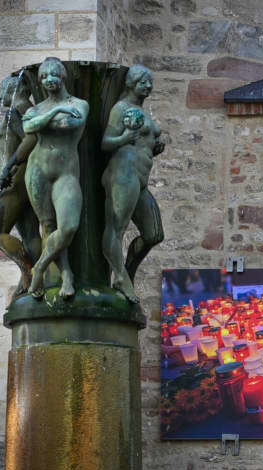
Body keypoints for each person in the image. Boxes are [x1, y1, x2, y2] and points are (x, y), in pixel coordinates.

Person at [22, 57, 89, 299]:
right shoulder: (35, 109)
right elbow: (29, 128)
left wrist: (46, 119)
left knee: (68, 226)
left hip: (66, 173)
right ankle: (66, 275)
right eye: (44, 77)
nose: (49, 80)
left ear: (63, 76)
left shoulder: (80, 104)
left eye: (53, 75)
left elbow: (70, 124)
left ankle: (39, 267)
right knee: (48, 226)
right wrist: (58, 110)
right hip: (37, 170)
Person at [100, 64, 165, 302]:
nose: (148, 86)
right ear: (130, 83)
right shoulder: (121, 108)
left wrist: (155, 147)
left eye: (150, 82)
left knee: (154, 234)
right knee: (116, 228)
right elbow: (105, 142)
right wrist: (125, 138)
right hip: (123, 174)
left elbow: (144, 142)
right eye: (143, 82)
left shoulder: (140, 110)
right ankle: (119, 276)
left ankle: (127, 273)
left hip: (140, 177)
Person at [0, 75, 41, 296]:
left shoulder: (15, 112)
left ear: (14, 90)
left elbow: (32, 137)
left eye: (4, 91)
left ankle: (28, 272)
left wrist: (10, 164)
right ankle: (38, 277)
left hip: (13, 181)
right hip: (20, 181)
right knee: (29, 234)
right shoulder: (19, 111)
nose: (0, 96)